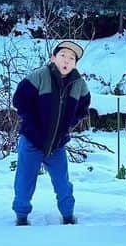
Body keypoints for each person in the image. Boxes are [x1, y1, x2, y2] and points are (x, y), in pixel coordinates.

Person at [11, 40, 91, 226]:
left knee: (63, 183)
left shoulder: (79, 84)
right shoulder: (39, 76)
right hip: (32, 140)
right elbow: (20, 100)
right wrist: (32, 122)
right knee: (25, 181)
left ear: (75, 63)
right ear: (53, 57)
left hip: (57, 144)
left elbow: (83, 107)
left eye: (71, 58)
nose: (66, 60)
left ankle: (68, 216)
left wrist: (69, 123)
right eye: (63, 55)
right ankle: (21, 217)